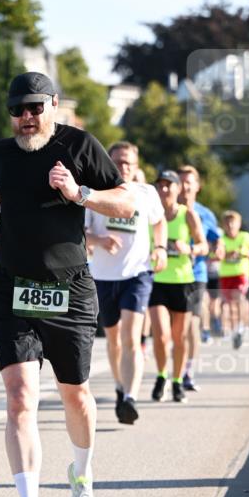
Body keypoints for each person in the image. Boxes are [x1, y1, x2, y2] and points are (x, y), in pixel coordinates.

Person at [0, 71, 135, 497]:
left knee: (76, 395)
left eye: (35, 108)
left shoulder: (80, 146)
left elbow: (125, 204)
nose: (26, 117)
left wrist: (79, 194)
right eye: (17, 110)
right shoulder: (1, 153)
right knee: (21, 398)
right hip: (12, 287)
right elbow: (0, 195)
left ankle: (82, 480)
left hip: (69, 287)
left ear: (54, 105)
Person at [85, 141, 166, 424]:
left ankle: (130, 397)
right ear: (108, 161)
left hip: (138, 273)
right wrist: (99, 240)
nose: (123, 167)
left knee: (131, 337)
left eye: (128, 162)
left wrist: (161, 247)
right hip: (104, 277)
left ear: (136, 165)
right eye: (118, 161)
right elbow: (80, 234)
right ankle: (120, 387)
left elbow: (159, 222)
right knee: (114, 341)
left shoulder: (146, 193)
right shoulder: (95, 192)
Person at [148, 170, 205, 403]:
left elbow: (204, 246)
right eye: (160, 185)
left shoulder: (188, 214)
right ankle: (161, 375)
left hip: (183, 282)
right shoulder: (151, 214)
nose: (164, 190)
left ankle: (178, 380)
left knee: (179, 338)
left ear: (178, 188)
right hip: (157, 281)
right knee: (161, 336)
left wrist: (189, 249)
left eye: (168, 185)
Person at [177, 165, 219, 390]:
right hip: (170, 275)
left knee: (192, 323)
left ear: (197, 187)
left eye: (188, 182)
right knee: (175, 327)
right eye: (181, 182)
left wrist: (219, 248)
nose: (184, 187)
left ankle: (188, 372)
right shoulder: (167, 210)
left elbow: (216, 238)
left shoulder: (205, 214)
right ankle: (176, 371)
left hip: (196, 274)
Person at [219, 211, 249, 349]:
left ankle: (243, 326)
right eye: (227, 223)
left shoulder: (245, 237)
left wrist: (247, 253)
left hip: (241, 274)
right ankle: (236, 329)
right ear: (224, 225)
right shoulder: (221, 239)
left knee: (238, 297)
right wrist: (227, 254)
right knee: (230, 304)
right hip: (226, 274)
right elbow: (215, 254)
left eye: (233, 222)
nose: (230, 225)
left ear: (238, 224)